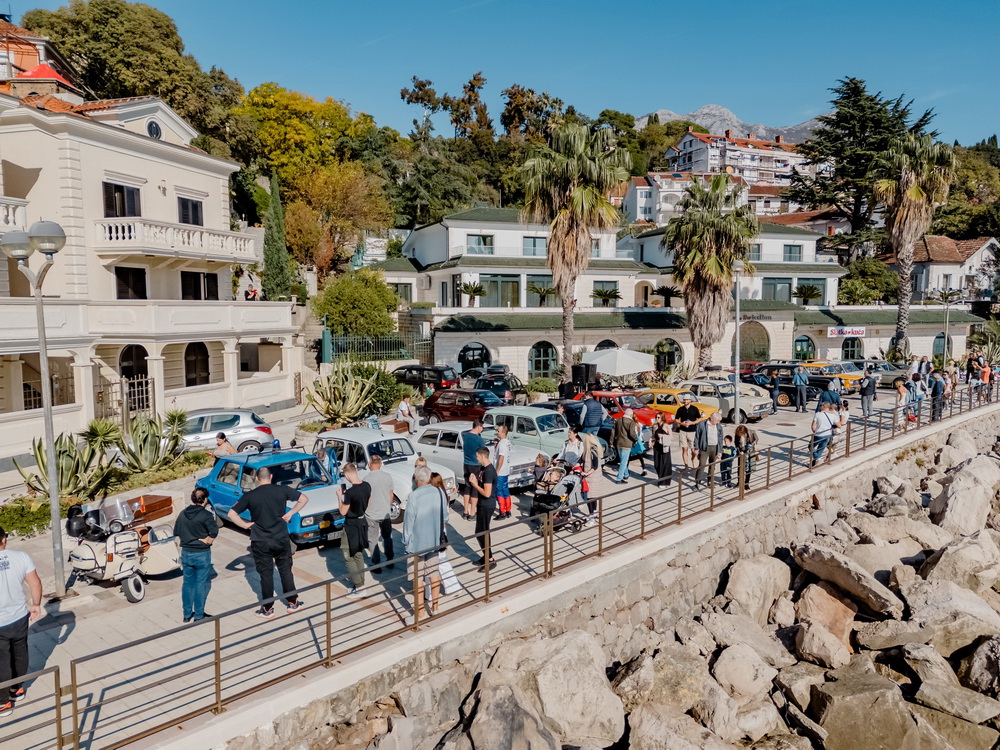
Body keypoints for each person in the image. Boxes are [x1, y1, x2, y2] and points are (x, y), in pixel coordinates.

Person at [228, 467, 309, 619]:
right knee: (285, 570)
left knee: (266, 574)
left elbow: (231, 514)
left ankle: (267, 608)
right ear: (271, 477)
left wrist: (245, 525)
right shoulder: (282, 490)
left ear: (257, 478)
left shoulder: (250, 496)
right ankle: (293, 603)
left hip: (260, 540)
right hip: (281, 537)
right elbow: (304, 498)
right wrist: (290, 513)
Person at [0, 526, 42, 718]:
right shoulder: (21, 557)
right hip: (19, 617)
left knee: (2, 662)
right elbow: (35, 583)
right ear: (4, 539)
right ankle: (17, 689)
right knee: (20, 653)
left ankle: (3, 702)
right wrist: (36, 604)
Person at [402, 466, 448, 620]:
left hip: (416, 544)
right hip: (434, 541)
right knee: (434, 573)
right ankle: (435, 607)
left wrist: (405, 541)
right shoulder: (439, 492)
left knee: (418, 578)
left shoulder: (414, 496)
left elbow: (408, 522)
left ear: (416, 479)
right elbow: (445, 517)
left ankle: (420, 612)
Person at [173, 487, 219, 623]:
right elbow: (214, 531)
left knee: (187, 584)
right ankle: (199, 615)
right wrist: (208, 541)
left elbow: (177, 532)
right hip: (201, 553)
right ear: (204, 500)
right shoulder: (206, 515)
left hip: (186, 552)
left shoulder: (183, 514)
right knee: (200, 584)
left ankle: (187, 614)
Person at [337, 463, 370, 599]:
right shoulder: (367, 486)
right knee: (358, 553)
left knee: (348, 555)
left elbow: (342, 512)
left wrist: (339, 497)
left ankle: (360, 587)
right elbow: (368, 503)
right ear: (356, 471)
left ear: (346, 474)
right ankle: (361, 583)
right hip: (362, 522)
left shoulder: (350, 493)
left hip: (351, 525)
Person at [466, 447, 497, 569]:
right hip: (482, 504)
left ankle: (490, 559)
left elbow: (487, 493)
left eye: (477, 456)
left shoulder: (489, 471)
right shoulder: (483, 469)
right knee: (480, 532)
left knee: (482, 533)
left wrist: (474, 485)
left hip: (487, 505)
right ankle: (486, 556)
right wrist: (475, 480)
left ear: (482, 456)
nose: (476, 458)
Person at [364, 455, 395, 573]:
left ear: (369, 464)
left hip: (371, 514)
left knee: (373, 539)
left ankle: (376, 565)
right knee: (387, 537)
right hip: (385, 513)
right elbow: (391, 495)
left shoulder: (366, 479)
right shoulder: (388, 477)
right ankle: (390, 559)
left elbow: (366, 499)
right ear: (380, 464)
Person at [461, 420, 487, 521]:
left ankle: (465, 512)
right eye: (482, 427)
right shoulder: (479, 439)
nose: (482, 429)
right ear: (478, 426)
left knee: (467, 487)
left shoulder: (466, 436)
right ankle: (472, 513)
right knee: (475, 488)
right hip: (475, 465)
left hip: (466, 464)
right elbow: (484, 452)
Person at [579, 433, 604, 527]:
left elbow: (595, 465)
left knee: (590, 498)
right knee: (592, 498)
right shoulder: (589, 450)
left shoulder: (592, 451)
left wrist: (587, 473)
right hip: (592, 478)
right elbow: (581, 461)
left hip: (592, 478)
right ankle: (593, 514)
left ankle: (592, 518)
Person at [694, 411, 724, 489]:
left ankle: (710, 481)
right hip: (704, 448)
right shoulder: (702, 424)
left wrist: (720, 451)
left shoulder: (719, 426)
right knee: (702, 465)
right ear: (711, 419)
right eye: (717, 420)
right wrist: (696, 448)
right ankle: (697, 483)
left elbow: (720, 439)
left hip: (715, 447)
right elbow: (697, 437)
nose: (718, 422)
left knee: (712, 466)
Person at [674, 394, 703, 470]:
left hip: (692, 431)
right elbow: (676, 419)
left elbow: (699, 418)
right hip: (683, 431)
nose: (685, 401)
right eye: (684, 400)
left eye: (687, 400)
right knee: (684, 449)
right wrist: (681, 423)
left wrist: (692, 423)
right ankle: (686, 466)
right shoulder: (680, 409)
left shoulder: (694, 409)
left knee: (693, 450)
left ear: (690, 400)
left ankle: (693, 462)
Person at [611, 409, 639, 484]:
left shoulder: (618, 420)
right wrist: (636, 439)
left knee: (623, 460)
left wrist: (611, 442)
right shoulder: (631, 422)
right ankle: (619, 478)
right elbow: (632, 433)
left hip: (618, 443)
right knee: (624, 462)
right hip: (627, 444)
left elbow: (613, 432)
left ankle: (626, 474)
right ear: (631, 415)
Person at [492, 424, 513, 520]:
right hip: (505, 470)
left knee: (499, 491)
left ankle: (502, 512)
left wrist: (497, 470)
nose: (497, 432)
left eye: (498, 431)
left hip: (501, 472)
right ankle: (508, 510)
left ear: (503, 432)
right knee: (505, 490)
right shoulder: (507, 442)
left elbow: (501, 457)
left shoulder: (503, 443)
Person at [652, 411, 673, 488]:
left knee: (665, 464)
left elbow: (671, 437)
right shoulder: (655, 426)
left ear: (662, 418)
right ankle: (660, 479)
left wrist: (663, 436)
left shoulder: (666, 426)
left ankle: (664, 482)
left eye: (658, 417)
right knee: (657, 464)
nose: (657, 419)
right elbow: (653, 436)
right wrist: (651, 441)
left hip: (664, 446)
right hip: (657, 446)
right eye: (656, 417)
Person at [734, 424, 758, 488]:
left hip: (749, 451)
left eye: (741, 434)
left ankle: (746, 483)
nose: (739, 435)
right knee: (740, 467)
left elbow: (754, 441)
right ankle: (739, 482)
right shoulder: (737, 434)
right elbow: (736, 443)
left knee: (748, 468)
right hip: (741, 452)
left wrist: (745, 451)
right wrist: (739, 451)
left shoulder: (751, 433)